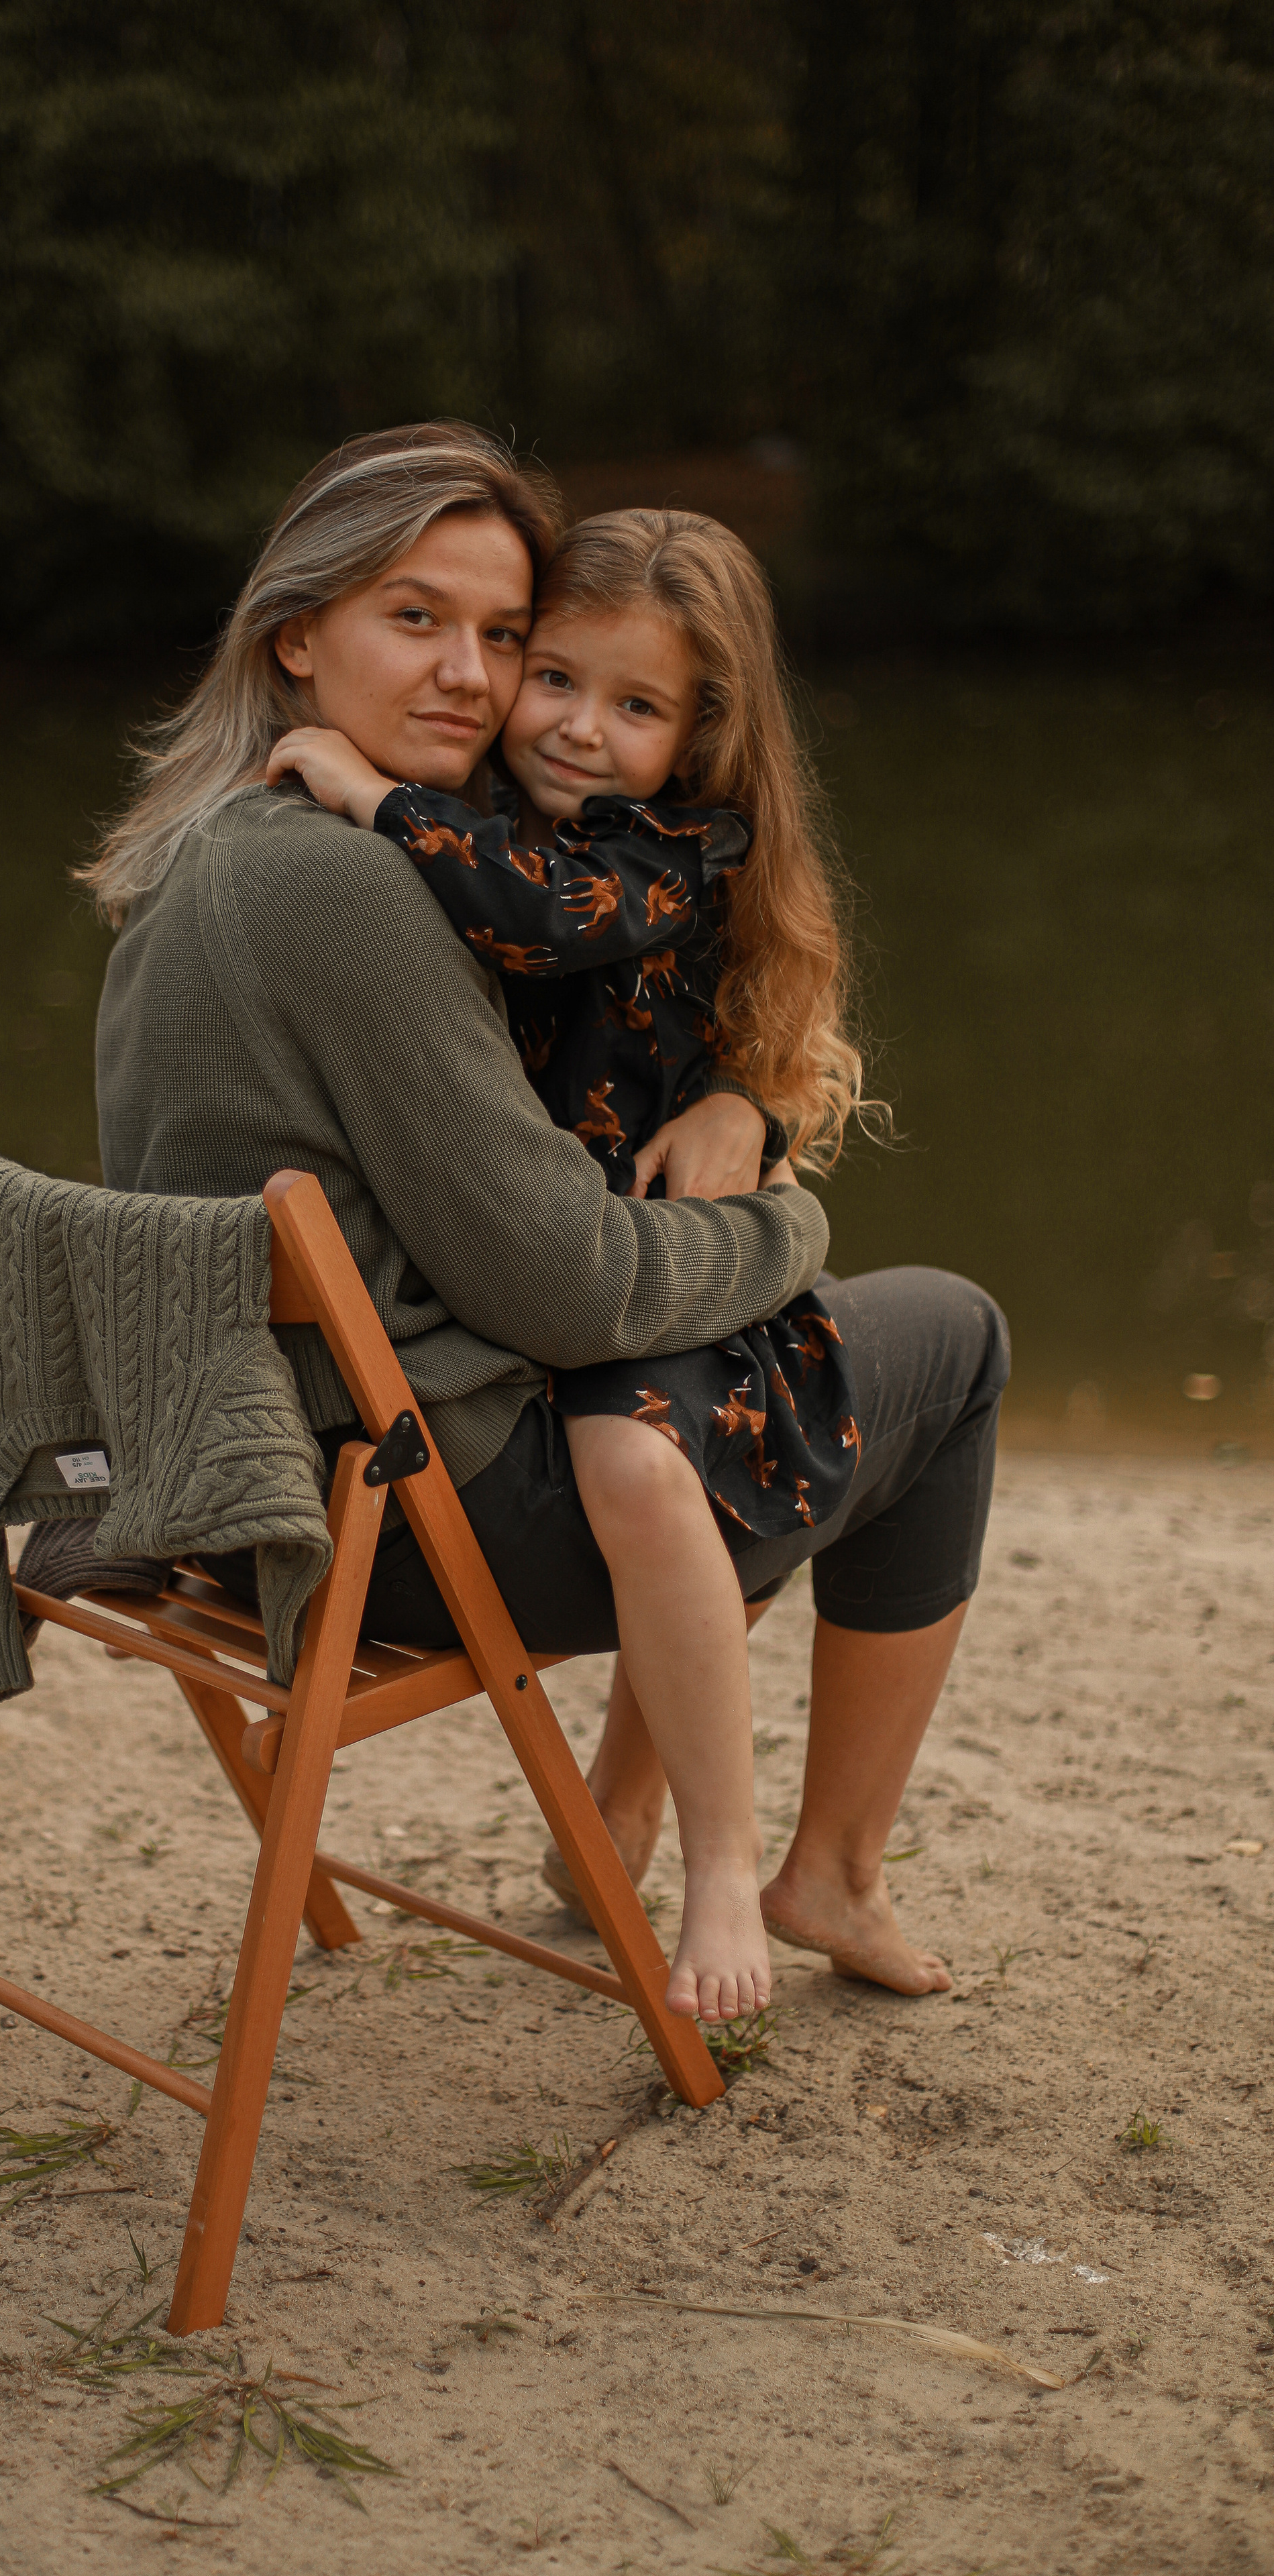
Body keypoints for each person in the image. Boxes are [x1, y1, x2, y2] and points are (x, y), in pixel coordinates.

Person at [83, 421, 1008, 2015]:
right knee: (941, 1344)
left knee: (729, 1375)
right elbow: (572, 1284)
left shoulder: (225, 844)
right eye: (413, 616)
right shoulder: (354, 882)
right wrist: (784, 1217)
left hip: (231, 1481)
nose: (470, 674)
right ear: (297, 634)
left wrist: (746, 1107)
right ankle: (824, 1870)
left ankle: (631, 1813)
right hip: (397, 1529)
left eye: (498, 634)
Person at [258, 508, 861, 2024]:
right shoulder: (485, 817)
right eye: (557, 679)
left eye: (636, 706)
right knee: (676, 1493)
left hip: (648, 1253)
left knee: (654, 1476)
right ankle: (623, 1797)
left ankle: (721, 1863)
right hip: (550, 1257)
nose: (581, 730)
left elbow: (544, 917)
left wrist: (368, 792)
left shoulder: (666, 849)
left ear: (697, 735)